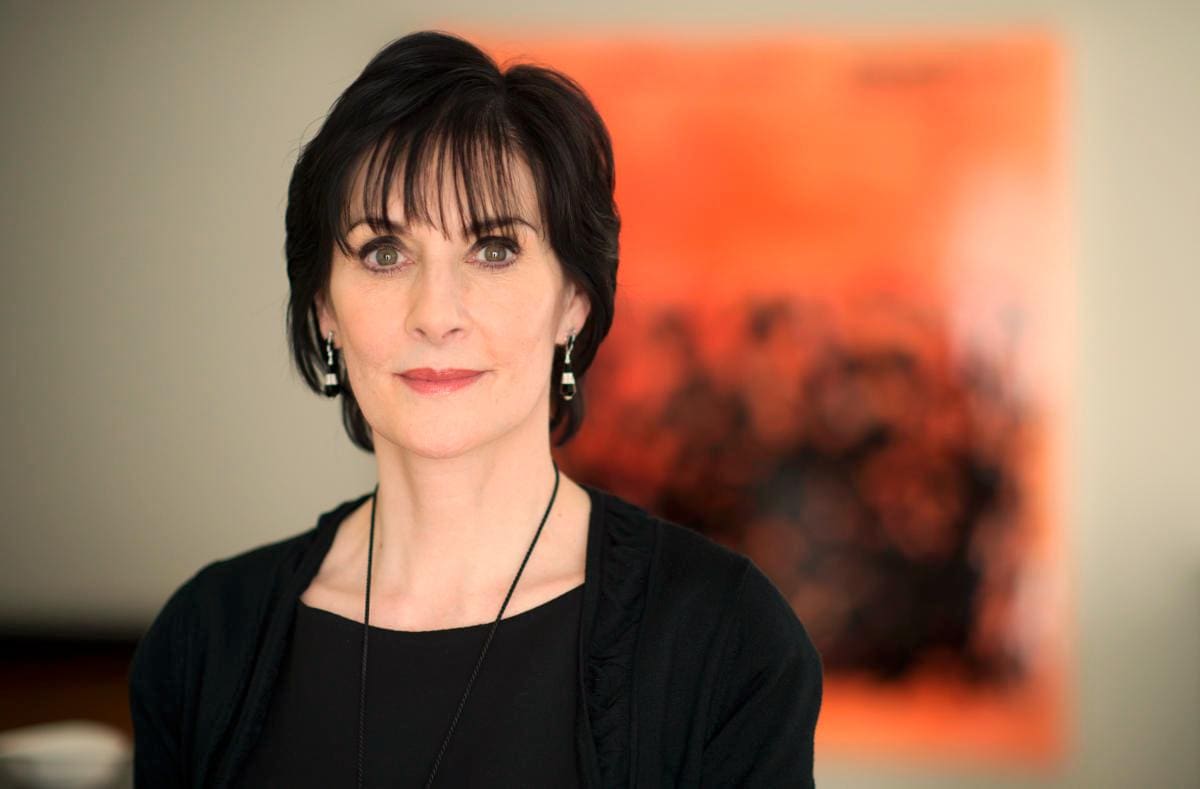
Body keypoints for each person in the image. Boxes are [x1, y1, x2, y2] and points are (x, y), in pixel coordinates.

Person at [127, 29, 822, 788]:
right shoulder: (204, 639)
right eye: (384, 252)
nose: (436, 314)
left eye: (493, 250)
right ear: (324, 307)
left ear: (574, 302)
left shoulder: (728, 640)